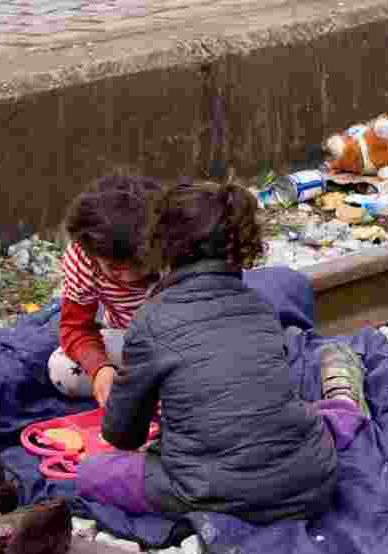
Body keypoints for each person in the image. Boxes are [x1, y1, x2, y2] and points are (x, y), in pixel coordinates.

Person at [76, 180, 371, 523]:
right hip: (309, 484)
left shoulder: (151, 318)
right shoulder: (261, 306)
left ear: (162, 247)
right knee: (314, 418)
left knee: (92, 473)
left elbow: (123, 434)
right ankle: (344, 397)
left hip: (211, 491)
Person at [48, 173, 163, 407]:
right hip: (128, 342)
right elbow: (75, 327)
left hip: (186, 342)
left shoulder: (178, 246)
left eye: (141, 264)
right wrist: (100, 369)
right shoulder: (83, 259)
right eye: (114, 269)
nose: (131, 278)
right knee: (62, 370)